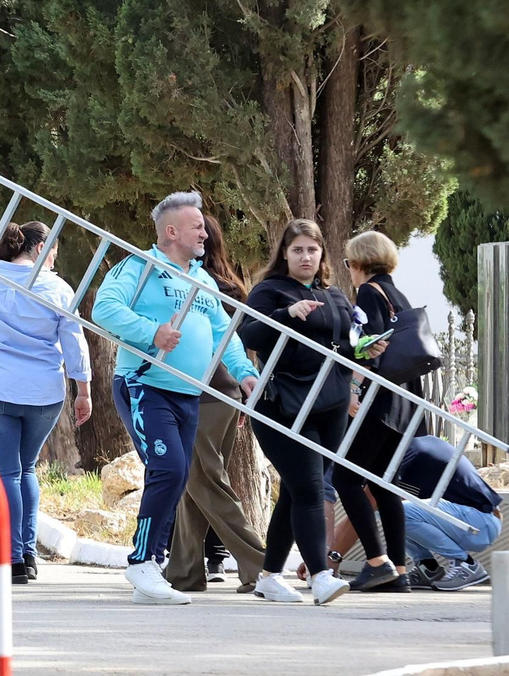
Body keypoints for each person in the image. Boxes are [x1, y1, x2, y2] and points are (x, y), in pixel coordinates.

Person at [93, 191, 258, 605]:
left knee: (179, 474)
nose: (205, 231)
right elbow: (103, 308)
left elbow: (223, 333)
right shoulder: (140, 266)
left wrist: (245, 373)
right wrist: (152, 332)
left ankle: (154, 564)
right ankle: (143, 560)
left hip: (189, 393)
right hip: (146, 384)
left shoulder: (201, 279)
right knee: (169, 468)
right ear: (171, 232)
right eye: (196, 225)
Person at [0, 221, 91, 586]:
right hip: (44, 394)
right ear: (40, 247)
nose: (54, 259)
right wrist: (84, 391)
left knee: (7, 473)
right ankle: (28, 555)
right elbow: (74, 341)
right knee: (26, 469)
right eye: (54, 251)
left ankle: (12, 559)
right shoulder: (58, 287)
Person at [239, 218, 359, 605]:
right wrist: (287, 315)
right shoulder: (270, 291)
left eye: (312, 249)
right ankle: (321, 575)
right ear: (284, 254)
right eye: (298, 250)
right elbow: (248, 334)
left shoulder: (335, 295)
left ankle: (270, 576)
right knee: (308, 488)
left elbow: (345, 346)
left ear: (322, 253)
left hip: (331, 405)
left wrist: (366, 350)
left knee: (295, 492)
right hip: (282, 404)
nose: (306, 257)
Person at [163, 215, 269, 595]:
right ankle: (185, 571)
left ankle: (260, 565)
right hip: (224, 395)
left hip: (201, 394)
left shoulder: (188, 285)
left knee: (205, 483)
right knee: (195, 485)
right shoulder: (230, 286)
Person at [333, 230, 420, 592]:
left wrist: (352, 389)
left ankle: (376, 561)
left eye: (349, 262)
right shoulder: (397, 294)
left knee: (346, 477)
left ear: (360, 262)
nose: (349, 269)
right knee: (385, 487)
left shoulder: (369, 293)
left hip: (379, 401)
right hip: (404, 401)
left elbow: (369, 346)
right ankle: (398, 571)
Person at [397, 435, 501, 591]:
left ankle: (465, 564)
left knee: (397, 512)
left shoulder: (409, 455)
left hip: (479, 521)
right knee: (388, 511)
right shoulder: (422, 444)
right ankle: (428, 568)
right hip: (481, 519)